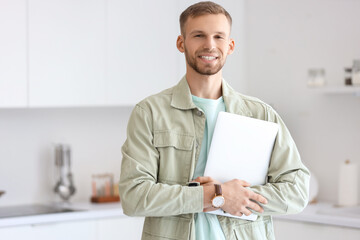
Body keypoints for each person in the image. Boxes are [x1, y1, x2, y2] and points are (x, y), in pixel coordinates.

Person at [119, 1, 310, 239]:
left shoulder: (261, 114)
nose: (209, 45)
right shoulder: (149, 113)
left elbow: (297, 191)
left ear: (230, 46)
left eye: (219, 37)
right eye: (199, 35)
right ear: (181, 43)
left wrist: (236, 196)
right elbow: (134, 197)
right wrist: (214, 195)